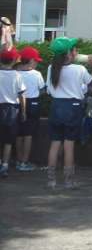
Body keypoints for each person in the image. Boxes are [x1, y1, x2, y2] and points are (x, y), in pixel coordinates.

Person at [46, 37, 92, 189]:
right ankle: (69, 181)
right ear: (69, 53)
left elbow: (49, 90)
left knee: (55, 143)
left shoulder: (51, 68)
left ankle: (51, 180)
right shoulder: (79, 69)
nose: (76, 52)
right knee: (69, 145)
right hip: (73, 107)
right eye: (74, 49)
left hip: (56, 106)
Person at [15, 46, 46, 171]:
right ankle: (25, 162)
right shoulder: (36, 74)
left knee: (18, 134)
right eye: (36, 61)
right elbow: (42, 90)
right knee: (28, 134)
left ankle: (18, 160)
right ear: (31, 61)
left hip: (17, 103)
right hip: (33, 104)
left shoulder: (15, 74)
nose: (37, 63)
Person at [0, 47, 26, 177]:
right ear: (13, 60)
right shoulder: (17, 75)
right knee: (8, 140)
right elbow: (22, 95)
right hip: (12, 110)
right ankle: (5, 165)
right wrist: (24, 112)